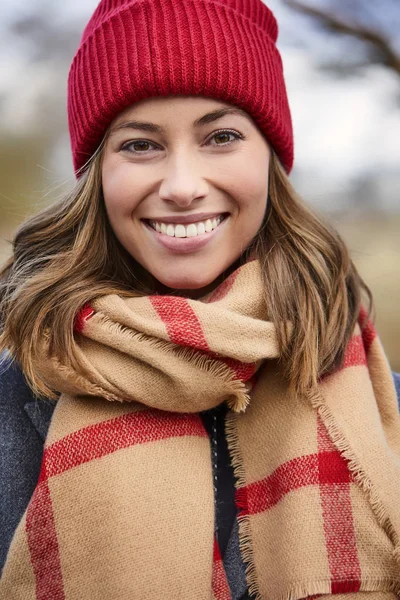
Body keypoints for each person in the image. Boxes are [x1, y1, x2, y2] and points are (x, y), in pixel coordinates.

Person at [0, 0, 399, 598]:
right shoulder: (20, 395)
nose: (183, 187)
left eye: (221, 137)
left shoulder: (375, 394)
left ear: (269, 156)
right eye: (140, 145)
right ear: (97, 173)